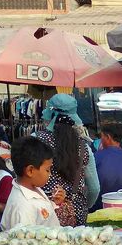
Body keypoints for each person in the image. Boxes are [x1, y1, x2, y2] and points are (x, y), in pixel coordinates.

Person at [37, 94, 96, 226]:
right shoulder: (84, 146)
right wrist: (83, 205)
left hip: (44, 211)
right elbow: (94, 188)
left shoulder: (36, 140)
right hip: (77, 213)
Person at [1, 136, 62, 230]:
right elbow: (25, 240)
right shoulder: (23, 207)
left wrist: (53, 203)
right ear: (30, 171)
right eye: (47, 169)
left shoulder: (33, 189)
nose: (50, 174)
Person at [91, 124, 122, 212]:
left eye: (102, 137)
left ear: (108, 137)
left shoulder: (95, 156)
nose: (101, 141)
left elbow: (90, 184)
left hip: (100, 207)